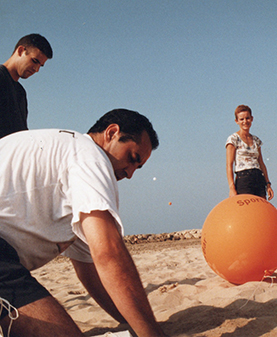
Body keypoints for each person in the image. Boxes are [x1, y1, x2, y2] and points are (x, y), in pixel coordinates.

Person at [0, 109, 167, 337]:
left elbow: (90, 270)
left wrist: (135, 324)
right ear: (111, 133)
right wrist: (152, 333)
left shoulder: (67, 158)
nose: (130, 173)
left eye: (137, 168)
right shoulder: (90, 156)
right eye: (132, 158)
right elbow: (108, 254)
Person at [0, 33, 53, 139]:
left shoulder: (20, 92)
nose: (36, 69)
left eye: (40, 66)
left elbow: (20, 133)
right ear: (20, 51)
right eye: (35, 61)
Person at [226, 104, 274, 200]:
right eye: (241, 119)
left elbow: (261, 163)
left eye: (247, 118)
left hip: (258, 178)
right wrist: (231, 188)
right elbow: (229, 165)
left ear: (252, 119)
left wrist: (268, 184)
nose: (245, 121)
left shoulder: (256, 140)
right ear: (237, 121)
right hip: (243, 179)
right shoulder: (233, 139)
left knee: (261, 209)